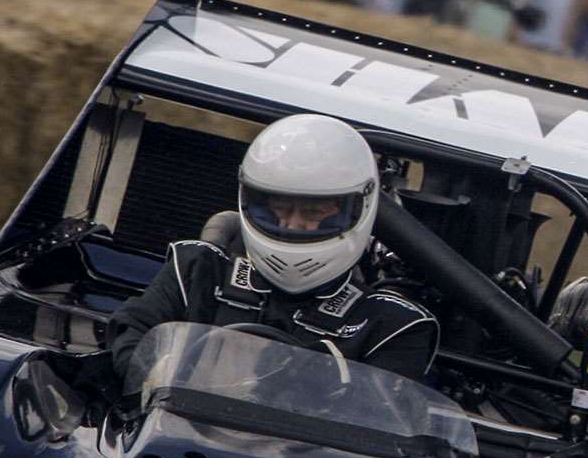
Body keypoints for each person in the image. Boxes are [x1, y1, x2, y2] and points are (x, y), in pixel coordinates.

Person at [105, 114, 439, 378]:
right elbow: (130, 335)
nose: (292, 224)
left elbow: (380, 420)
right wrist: (161, 374)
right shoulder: (196, 268)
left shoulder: (391, 325)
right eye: (279, 209)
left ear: (359, 209)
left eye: (313, 213)